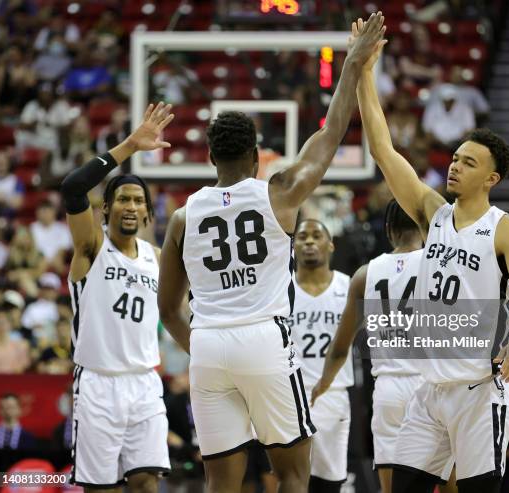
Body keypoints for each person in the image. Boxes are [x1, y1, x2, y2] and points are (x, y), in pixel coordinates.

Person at [157, 13, 385, 493]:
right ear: (258, 154)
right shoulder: (276, 193)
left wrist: (198, 345)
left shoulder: (182, 216)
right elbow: (329, 137)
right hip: (263, 340)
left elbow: (167, 309)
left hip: (207, 346)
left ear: (211, 157)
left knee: (221, 480)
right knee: (294, 473)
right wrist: (351, 66)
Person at [354, 19, 509, 493]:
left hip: (480, 391)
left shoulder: (506, 230)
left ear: (492, 179)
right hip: (428, 389)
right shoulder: (432, 212)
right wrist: (363, 71)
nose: (455, 166)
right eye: (456, 158)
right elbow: (382, 148)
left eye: (469, 163)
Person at [60, 102, 175, 490]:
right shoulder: (91, 248)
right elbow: (73, 187)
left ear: (146, 213)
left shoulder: (157, 258)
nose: (131, 205)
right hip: (97, 383)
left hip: (145, 383)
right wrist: (128, 146)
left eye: (138, 201)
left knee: (146, 482)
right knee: (101, 487)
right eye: (123, 199)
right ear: (106, 208)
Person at [313, 200, 427, 493]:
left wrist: (323, 383)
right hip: (431, 384)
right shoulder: (438, 264)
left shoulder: (366, 273)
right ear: (425, 229)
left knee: (390, 487)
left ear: (388, 230)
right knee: (448, 478)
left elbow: (341, 346)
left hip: (388, 387)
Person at [287, 219, 353, 492]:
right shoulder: (281, 289)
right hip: (289, 396)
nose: (309, 242)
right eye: (302, 237)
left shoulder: (349, 286)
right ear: (293, 247)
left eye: (316, 236)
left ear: (330, 245)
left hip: (333, 394)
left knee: (329, 483)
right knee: (290, 480)